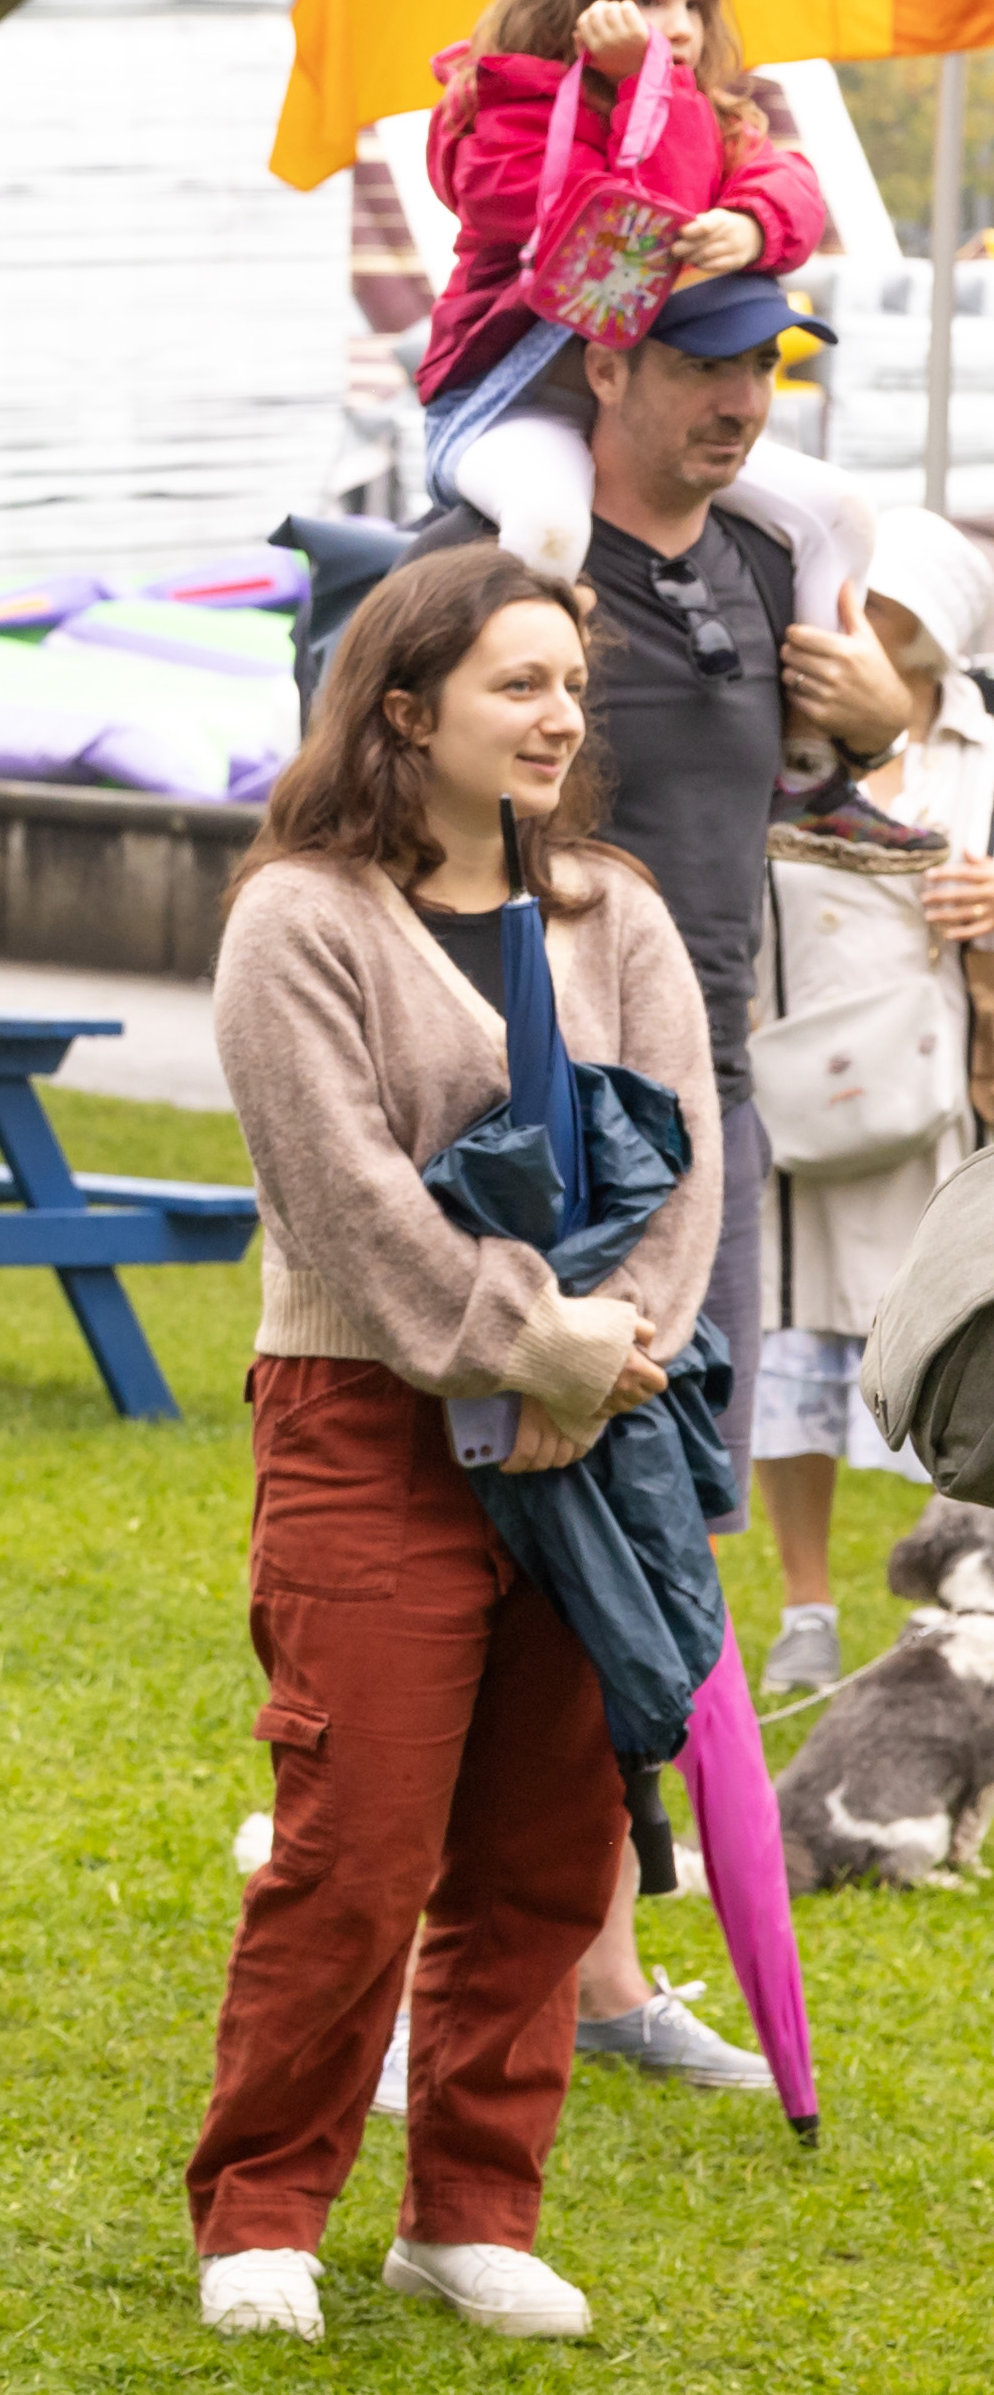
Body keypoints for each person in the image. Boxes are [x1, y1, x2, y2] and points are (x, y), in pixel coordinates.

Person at [187, 550, 713, 2344]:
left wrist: (600, 1359)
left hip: (595, 1430)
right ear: (405, 710)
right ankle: (263, 2211)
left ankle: (472, 2212)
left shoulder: (614, 913)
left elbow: (690, 1159)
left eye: (570, 682)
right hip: (369, 1418)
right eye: (518, 684)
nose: (561, 715)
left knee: (548, 1845)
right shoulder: (300, 918)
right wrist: (525, 1346)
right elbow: (336, 1193)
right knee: (356, 1843)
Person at [406, 269, 917, 2086]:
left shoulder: (771, 562)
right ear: (606, 358)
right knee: (479, 1542)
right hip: (534, 1108)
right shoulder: (498, 560)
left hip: (711, 1102)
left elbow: (816, 797)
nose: (740, 398)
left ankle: (603, 1966)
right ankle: (429, 1952)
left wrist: (873, 725)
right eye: (705, 362)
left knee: (659, 1529)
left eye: (763, 366)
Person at [411, 0, 922, 858]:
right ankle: (522, 766)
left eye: (694, 2)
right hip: (510, 402)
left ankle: (808, 769)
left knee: (842, 513)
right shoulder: (502, 115)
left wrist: (754, 223)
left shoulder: (712, 115)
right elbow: (619, 225)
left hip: (636, 406)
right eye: (649, 0)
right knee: (550, 527)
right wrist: (653, 90)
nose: (679, 27)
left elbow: (788, 185)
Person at [751, 513, 994, 1690]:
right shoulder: (776, 730)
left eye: (890, 611)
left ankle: (962, 1590)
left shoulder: (978, 746)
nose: (862, 624)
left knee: (955, 1332)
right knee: (790, 1341)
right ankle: (807, 1607)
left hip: (942, 1086)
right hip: (797, 1072)